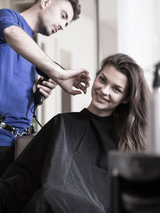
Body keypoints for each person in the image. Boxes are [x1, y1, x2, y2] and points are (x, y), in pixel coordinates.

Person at [0, 53, 149, 213]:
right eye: (103, 79)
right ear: (96, 77)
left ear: (125, 99)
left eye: (116, 89)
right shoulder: (62, 124)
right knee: (48, 197)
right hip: (48, 204)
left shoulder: (126, 144)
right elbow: (23, 178)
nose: (104, 91)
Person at [0, 0, 90, 176]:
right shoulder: (8, 18)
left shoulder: (33, 49)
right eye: (63, 16)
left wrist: (37, 96)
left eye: (67, 24)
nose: (63, 26)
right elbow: (11, 33)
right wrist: (58, 72)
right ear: (46, 1)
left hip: (17, 146)